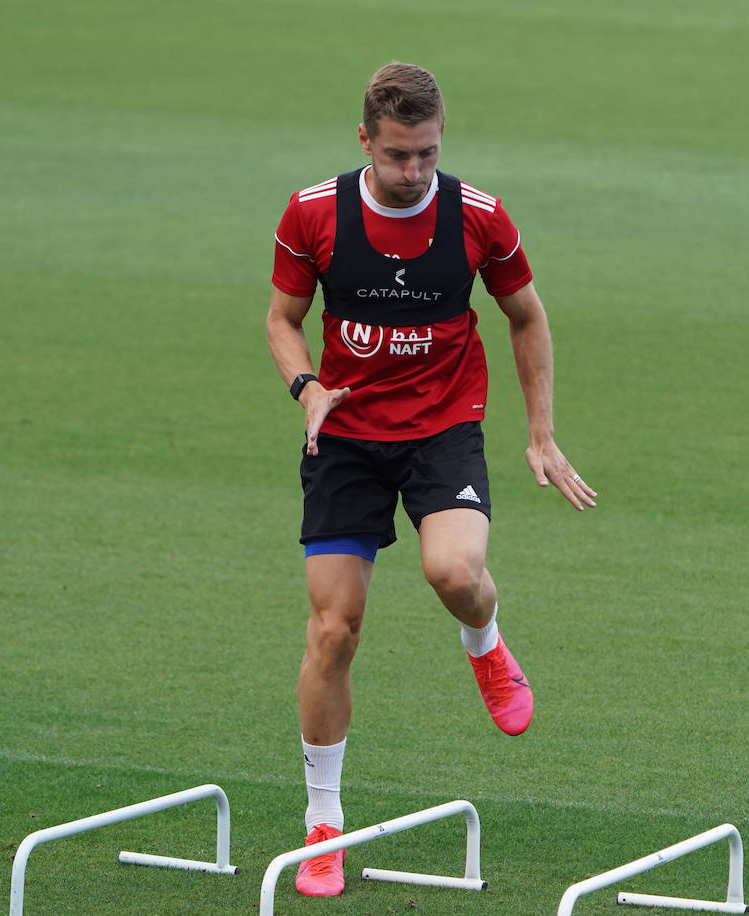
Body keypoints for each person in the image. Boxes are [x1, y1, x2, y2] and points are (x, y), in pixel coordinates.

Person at [265, 61, 596, 897]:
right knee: (333, 632)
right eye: (397, 155)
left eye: (428, 154)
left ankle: (485, 644)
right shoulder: (313, 213)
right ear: (364, 141)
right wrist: (307, 387)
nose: (414, 172)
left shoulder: (478, 216)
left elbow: (526, 315)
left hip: (444, 427)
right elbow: (282, 319)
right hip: (345, 433)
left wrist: (542, 434)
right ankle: (324, 825)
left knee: (454, 573)